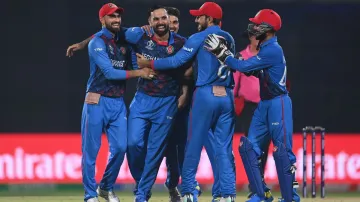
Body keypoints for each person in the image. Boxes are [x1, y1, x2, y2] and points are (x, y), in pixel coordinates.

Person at [136, 2, 236, 202]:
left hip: (206, 95)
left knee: (193, 144)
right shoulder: (229, 38)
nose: (196, 20)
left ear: (209, 19)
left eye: (200, 17)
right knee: (224, 149)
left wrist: (148, 63)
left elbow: (175, 61)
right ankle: (227, 194)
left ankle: (189, 191)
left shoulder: (199, 37)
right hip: (226, 96)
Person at [204, 9, 300, 202]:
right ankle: (260, 193)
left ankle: (290, 198)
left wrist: (223, 54)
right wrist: (237, 60)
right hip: (264, 104)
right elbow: (256, 72)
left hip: (278, 103)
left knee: (282, 152)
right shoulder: (265, 49)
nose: (254, 27)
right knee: (247, 148)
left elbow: (244, 68)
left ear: (267, 28)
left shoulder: (273, 49)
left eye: (257, 24)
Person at [80, 3, 155, 202]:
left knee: (121, 148)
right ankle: (89, 195)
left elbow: (134, 63)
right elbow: (110, 73)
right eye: (111, 16)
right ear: (102, 20)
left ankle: (105, 187)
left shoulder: (125, 43)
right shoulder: (96, 42)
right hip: (96, 100)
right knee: (91, 152)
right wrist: (140, 72)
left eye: (118, 17)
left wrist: (149, 60)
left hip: (117, 103)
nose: (116, 20)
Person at [234, 31, 272, 200]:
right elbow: (234, 83)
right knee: (252, 146)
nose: (257, 39)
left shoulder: (268, 56)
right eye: (255, 36)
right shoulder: (242, 56)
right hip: (249, 107)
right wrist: (233, 101)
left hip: (267, 106)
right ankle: (254, 185)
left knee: (264, 146)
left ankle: (259, 182)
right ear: (249, 38)